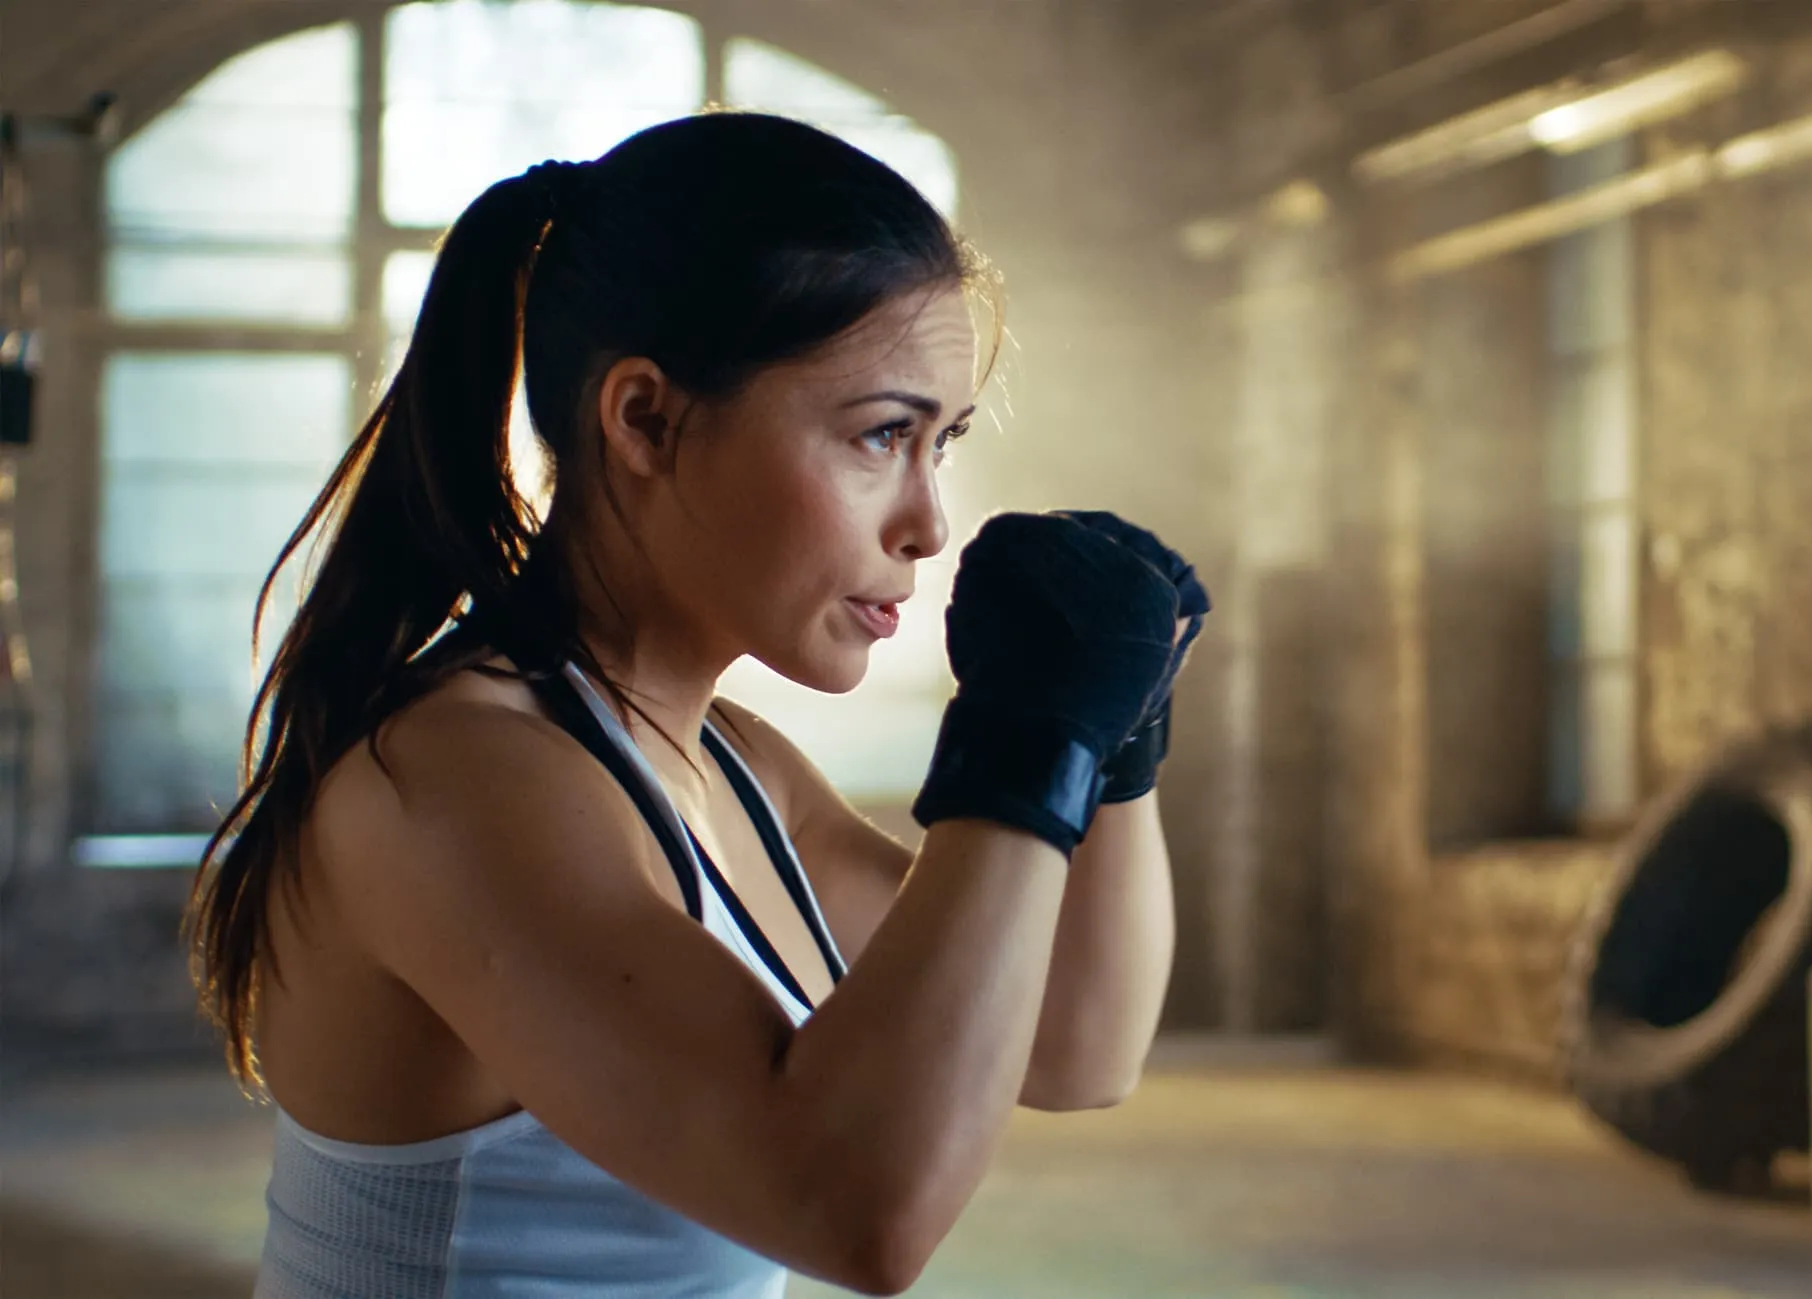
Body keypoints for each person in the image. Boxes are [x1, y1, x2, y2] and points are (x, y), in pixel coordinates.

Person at [183, 111, 1208, 1298]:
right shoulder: (454, 780)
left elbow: (1073, 1044)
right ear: (646, 421)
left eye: (943, 445)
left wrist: (1116, 739)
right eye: (881, 436)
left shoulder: (731, 766)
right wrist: (1026, 741)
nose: (928, 524)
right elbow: (853, 1214)